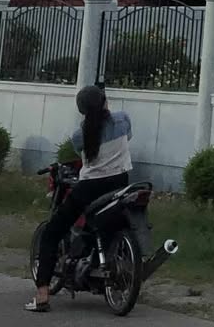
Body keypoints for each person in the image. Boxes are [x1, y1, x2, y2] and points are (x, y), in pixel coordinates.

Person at [28, 85, 133, 313]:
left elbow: (83, 155)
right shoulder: (123, 120)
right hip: (120, 184)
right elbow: (128, 138)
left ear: (83, 111)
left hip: (90, 188)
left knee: (52, 232)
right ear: (105, 101)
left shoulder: (80, 135)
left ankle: (42, 294)